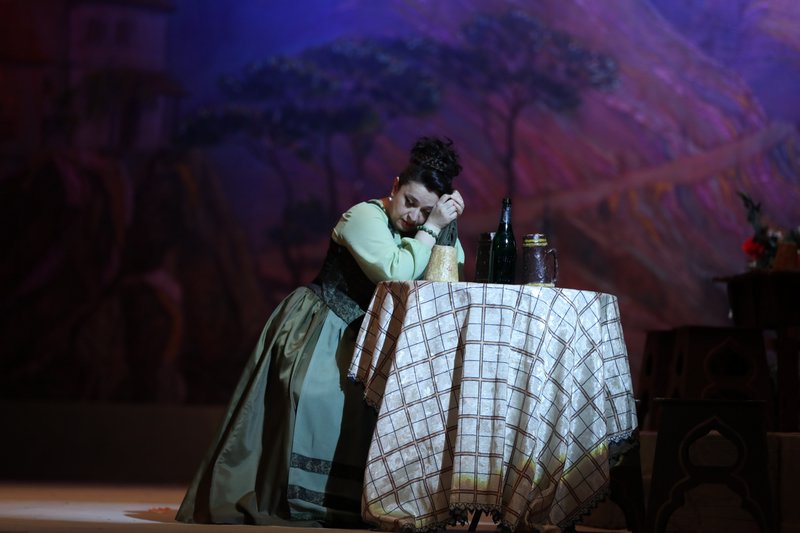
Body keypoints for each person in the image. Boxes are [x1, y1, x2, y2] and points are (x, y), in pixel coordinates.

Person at [176, 136, 466, 527]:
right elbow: (394, 271)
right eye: (409, 201)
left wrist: (447, 227)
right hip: (324, 325)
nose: (413, 216)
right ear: (395, 186)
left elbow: (447, 273)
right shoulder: (364, 217)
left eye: (426, 211)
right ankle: (295, 499)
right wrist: (431, 228)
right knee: (315, 399)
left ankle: (359, 501)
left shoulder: (427, 229)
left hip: (374, 337)